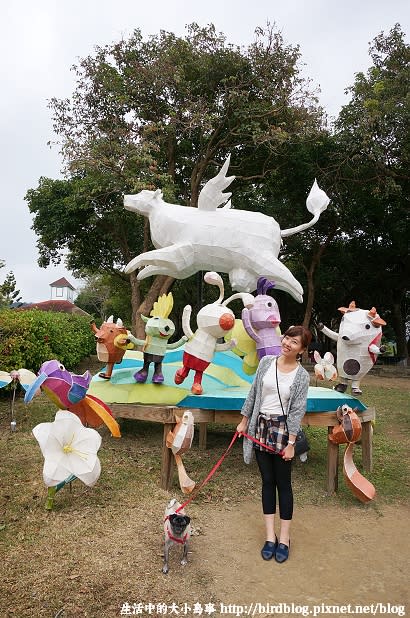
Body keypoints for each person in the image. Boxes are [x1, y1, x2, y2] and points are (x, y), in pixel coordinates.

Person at [236, 325, 312, 564]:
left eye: (295, 342)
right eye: (287, 337)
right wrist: (244, 420)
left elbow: (297, 411)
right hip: (260, 427)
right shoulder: (266, 362)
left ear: (301, 350)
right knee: (267, 482)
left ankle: (285, 538)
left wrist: (290, 443)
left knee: (283, 484)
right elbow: (253, 393)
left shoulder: (301, 376)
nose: (288, 343)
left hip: (283, 432)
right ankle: (270, 536)